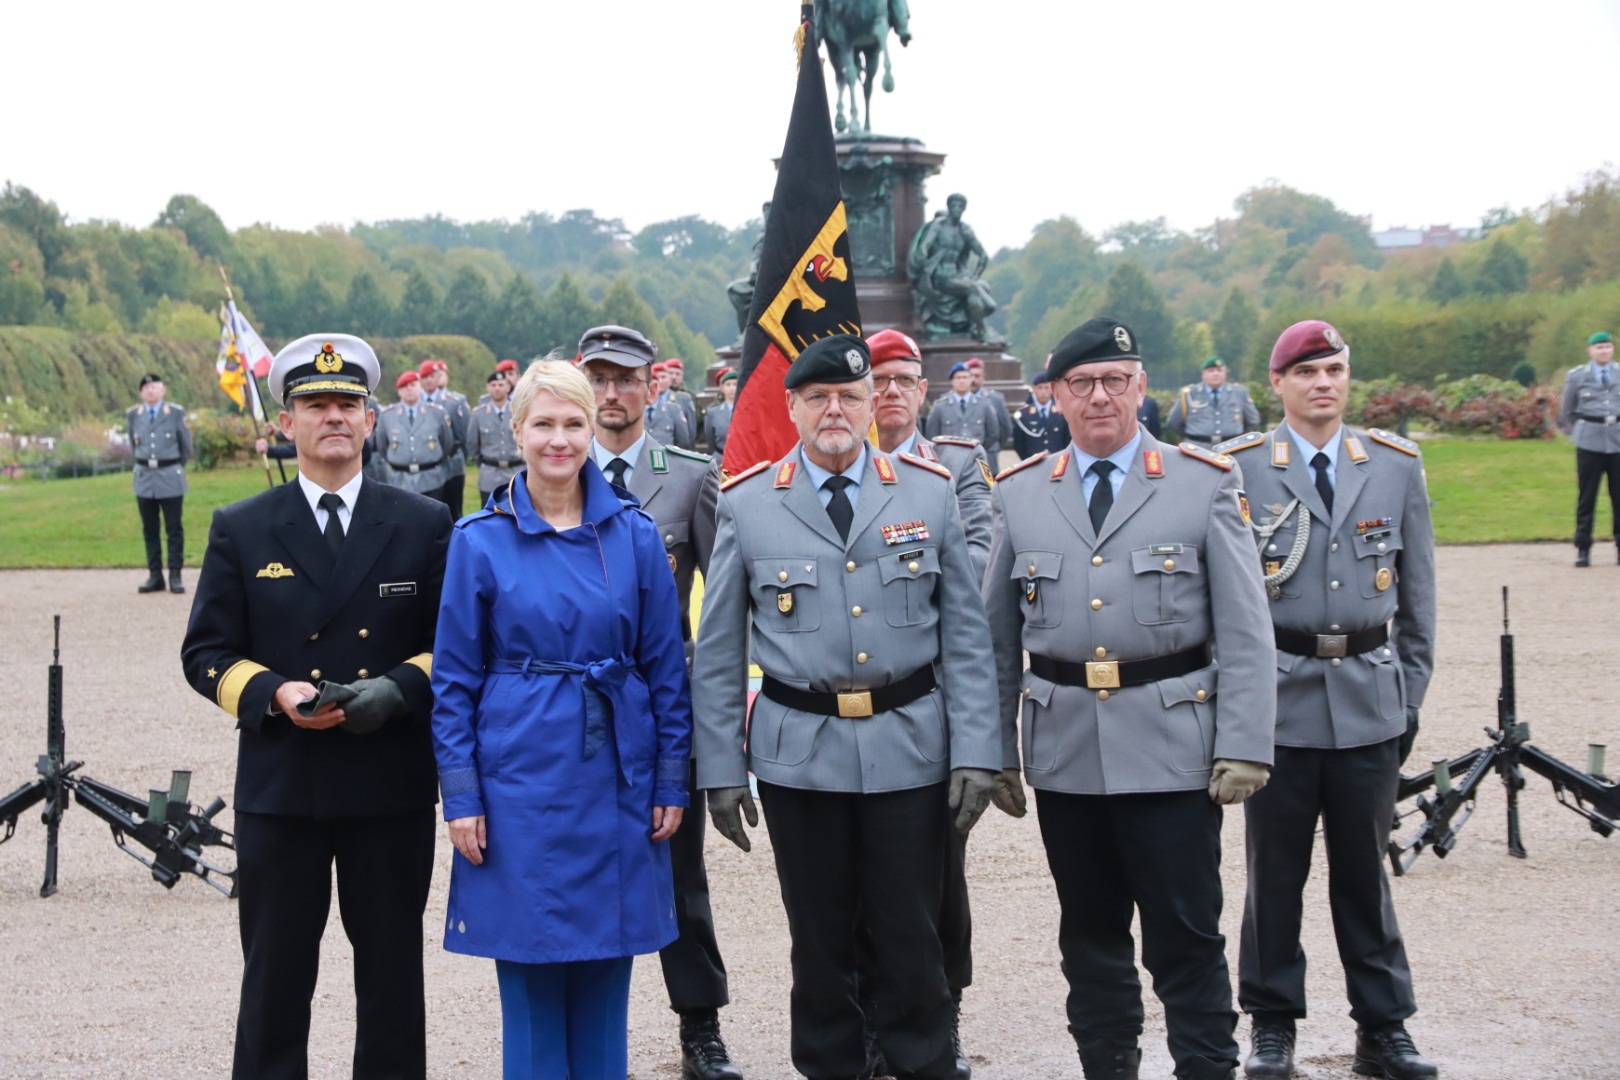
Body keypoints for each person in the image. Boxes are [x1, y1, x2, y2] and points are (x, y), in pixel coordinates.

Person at [691, 333, 1002, 1080]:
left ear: (872, 405)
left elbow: (965, 635)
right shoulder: (749, 502)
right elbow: (721, 649)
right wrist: (720, 770)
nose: (836, 409)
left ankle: (925, 1063)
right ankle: (832, 1066)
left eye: (851, 396)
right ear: (792, 407)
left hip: (910, 748)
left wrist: (978, 751)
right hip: (802, 757)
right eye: (819, 397)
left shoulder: (927, 491)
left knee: (911, 933)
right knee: (821, 941)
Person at [983, 316, 1276, 1080]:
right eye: (1082, 384)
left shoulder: (1203, 482)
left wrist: (1244, 743)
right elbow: (993, 643)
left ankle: (1205, 1067)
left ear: (1142, 389)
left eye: (1116, 381)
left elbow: (1247, 630)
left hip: (1175, 752)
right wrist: (992, 752)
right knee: (1089, 937)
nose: (1100, 396)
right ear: (1056, 397)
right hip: (1067, 751)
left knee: (1186, 935)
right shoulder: (1018, 495)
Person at [180, 334, 452, 1080]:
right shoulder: (243, 526)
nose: (333, 416)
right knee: (274, 979)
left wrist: (394, 689)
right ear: (286, 423)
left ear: (372, 422)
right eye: (314, 405)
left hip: (387, 780)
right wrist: (274, 692)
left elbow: (452, 649)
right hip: (282, 784)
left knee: (393, 978)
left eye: (347, 405)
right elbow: (203, 654)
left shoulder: (424, 524)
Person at [430, 359, 692, 1080]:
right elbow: (453, 681)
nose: (559, 439)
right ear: (516, 430)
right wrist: (463, 796)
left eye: (573, 423)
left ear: (591, 432)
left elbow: (666, 669)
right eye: (543, 423)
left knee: (608, 976)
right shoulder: (479, 539)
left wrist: (671, 778)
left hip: (616, 776)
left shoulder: (635, 536)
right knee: (532, 983)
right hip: (519, 784)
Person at [1216, 321, 1438, 1080]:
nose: (1324, 383)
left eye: (1335, 370)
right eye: (1307, 371)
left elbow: (1419, 604)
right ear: (1276, 384)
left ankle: (1385, 1028)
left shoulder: (1394, 466)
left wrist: (1405, 700)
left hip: (1369, 699)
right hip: (1278, 702)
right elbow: (1220, 607)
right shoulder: (1241, 470)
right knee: (1274, 875)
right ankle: (1272, 1025)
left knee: (1364, 873)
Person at [578, 323, 739, 1080]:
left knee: (680, 876)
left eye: (626, 379)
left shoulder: (688, 476)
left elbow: (725, 603)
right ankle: (582, 1028)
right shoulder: (550, 470)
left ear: (652, 387)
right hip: (569, 719)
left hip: (661, 711)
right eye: (599, 379)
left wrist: (723, 708)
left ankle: (699, 1028)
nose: (612, 394)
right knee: (575, 869)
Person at [866, 326, 1008, 1078]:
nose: (889, 393)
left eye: (903, 380)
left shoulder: (957, 464)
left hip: (932, 703)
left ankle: (940, 1014)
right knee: (852, 876)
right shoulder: (833, 465)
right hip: (857, 707)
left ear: (924, 392)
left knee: (936, 878)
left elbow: (978, 566)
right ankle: (867, 1021)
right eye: (877, 380)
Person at [1557, 330, 1620, 567]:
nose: (1603, 351)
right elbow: (1567, 410)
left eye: (1607, 346)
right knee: (1587, 496)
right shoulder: (1577, 376)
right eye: (1598, 347)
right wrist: (1576, 433)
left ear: (1612, 349)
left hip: (1617, 439)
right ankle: (1583, 547)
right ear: (1590, 351)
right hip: (1589, 440)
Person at [127, 373, 193, 594]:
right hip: (144, 478)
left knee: (174, 529)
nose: (150, 390)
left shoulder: (175, 413)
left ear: (163, 390)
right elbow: (133, 445)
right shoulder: (133, 415)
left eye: (154, 386)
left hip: (170, 476)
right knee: (150, 530)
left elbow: (186, 447)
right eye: (146, 387)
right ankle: (155, 576)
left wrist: (172, 466)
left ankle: (175, 575)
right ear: (141, 393)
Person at [906, 193, 1000, 343]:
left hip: (958, 276)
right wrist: (924, 265)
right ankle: (983, 332)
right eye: (953, 205)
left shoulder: (965, 230)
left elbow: (983, 256)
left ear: (964, 209)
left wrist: (974, 277)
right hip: (940, 276)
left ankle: (971, 327)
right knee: (972, 289)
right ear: (948, 207)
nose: (956, 208)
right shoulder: (939, 225)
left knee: (990, 304)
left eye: (960, 206)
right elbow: (925, 246)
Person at [376, 370, 456, 506]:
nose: (409, 389)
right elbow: (382, 446)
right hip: (400, 481)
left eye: (413, 385)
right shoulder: (387, 415)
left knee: (432, 521)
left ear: (420, 387)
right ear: (399, 391)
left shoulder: (437, 413)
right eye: (404, 386)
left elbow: (447, 443)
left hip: (431, 479)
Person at [1166, 357, 1261, 446]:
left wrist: (1238, 436)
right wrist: (1192, 436)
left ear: (1225, 373)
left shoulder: (1239, 392)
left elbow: (1252, 420)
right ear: (1203, 374)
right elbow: (1173, 422)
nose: (1215, 374)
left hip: (1232, 447)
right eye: (1210, 371)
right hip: (1198, 448)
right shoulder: (1189, 393)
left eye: (1219, 370)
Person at [421, 359, 472, 518]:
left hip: (451, 465)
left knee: (453, 511)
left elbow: (461, 436)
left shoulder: (453, 403)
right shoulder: (415, 403)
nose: (429, 380)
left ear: (439, 378)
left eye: (433, 376)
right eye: (425, 376)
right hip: (425, 467)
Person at [464, 370, 522, 505]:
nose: (497, 388)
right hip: (489, 473)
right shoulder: (478, 414)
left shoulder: (519, 412)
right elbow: (472, 445)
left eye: (501, 385)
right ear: (488, 388)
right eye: (493, 385)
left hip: (516, 471)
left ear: (508, 387)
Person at [924, 362, 1000, 447]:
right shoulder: (940, 406)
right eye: (958, 378)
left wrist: (979, 450)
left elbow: (993, 434)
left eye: (965, 377)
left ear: (971, 379)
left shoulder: (984, 405)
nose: (962, 381)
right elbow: (931, 435)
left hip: (976, 457)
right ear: (952, 380)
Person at [1011, 371, 1072, 458]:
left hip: (1057, 461)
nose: (1043, 392)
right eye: (1040, 388)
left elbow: (1067, 440)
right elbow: (1019, 445)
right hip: (1034, 463)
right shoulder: (1023, 415)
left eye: (1047, 388)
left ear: (1052, 389)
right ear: (1033, 389)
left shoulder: (1062, 412)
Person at [964, 357, 1012, 460]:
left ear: (983, 377)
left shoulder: (995, 399)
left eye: (977, 376)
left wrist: (995, 447)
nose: (973, 380)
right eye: (970, 375)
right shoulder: (959, 402)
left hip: (988, 457)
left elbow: (1005, 429)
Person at [705, 368, 737, 456]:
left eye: (735, 384)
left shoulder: (747, 411)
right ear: (722, 388)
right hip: (721, 459)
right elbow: (711, 441)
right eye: (728, 385)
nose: (732, 388)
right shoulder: (713, 412)